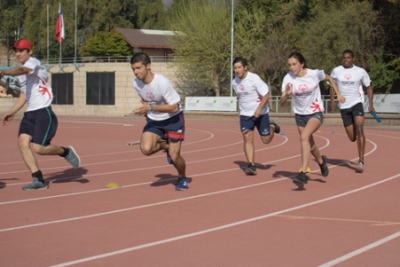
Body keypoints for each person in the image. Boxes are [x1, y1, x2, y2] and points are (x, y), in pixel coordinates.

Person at [0, 39, 80, 190]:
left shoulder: (33, 63)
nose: (17, 53)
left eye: (21, 51)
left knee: (39, 148)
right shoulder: (23, 73)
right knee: (22, 144)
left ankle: (66, 152)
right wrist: (12, 112)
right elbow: (24, 94)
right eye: (16, 51)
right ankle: (38, 179)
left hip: (43, 112)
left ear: (29, 52)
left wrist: (4, 71)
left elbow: (22, 70)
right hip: (29, 113)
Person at [280, 52, 345, 184]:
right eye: (289, 65)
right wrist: (287, 95)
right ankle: (322, 162)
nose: (291, 67)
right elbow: (281, 102)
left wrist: (338, 94)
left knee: (304, 137)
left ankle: (303, 173)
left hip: (315, 113)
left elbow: (330, 78)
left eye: (294, 64)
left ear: (302, 64)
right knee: (310, 145)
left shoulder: (314, 74)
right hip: (300, 116)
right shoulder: (288, 78)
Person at [131, 53, 188, 191]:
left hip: (173, 119)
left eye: (138, 68)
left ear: (148, 66)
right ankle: (166, 146)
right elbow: (145, 100)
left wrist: (150, 107)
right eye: (133, 69)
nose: (136, 72)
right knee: (146, 149)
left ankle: (182, 176)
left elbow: (174, 107)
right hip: (155, 120)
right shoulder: (136, 83)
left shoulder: (162, 82)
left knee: (175, 157)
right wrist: (145, 112)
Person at [329, 49, 375, 173]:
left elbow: (369, 87)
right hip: (344, 107)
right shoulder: (336, 71)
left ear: (353, 59)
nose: (346, 60)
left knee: (360, 128)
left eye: (348, 58)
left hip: (357, 103)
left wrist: (370, 104)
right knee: (352, 137)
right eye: (344, 58)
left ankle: (361, 161)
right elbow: (332, 87)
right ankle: (355, 129)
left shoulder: (360, 71)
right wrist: (332, 101)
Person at [232, 57, 280, 175]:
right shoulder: (234, 82)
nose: (237, 70)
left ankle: (272, 126)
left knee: (266, 140)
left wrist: (259, 109)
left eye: (239, 67)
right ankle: (251, 165)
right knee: (247, 136)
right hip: (246, 115)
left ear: (245, 67)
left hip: (261, 113)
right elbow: (241, 96)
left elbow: (266, 95)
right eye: (235, 68)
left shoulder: (254, 78)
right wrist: (240, 109)